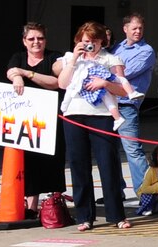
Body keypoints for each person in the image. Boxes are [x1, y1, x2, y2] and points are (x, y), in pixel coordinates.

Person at [56, 21, 134, 232]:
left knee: (108, 164)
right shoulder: (70, 58)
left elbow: (125, 90)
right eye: (85, 41)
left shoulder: (111, 59)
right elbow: (62, 84)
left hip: (101, 116)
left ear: (102, 41)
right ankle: (84, 216)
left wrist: (105, 84)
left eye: (94, 41)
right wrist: (74, 59)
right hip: (74, 115)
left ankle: (116, 214)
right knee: (78, 165)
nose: (89, 44)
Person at [6, 23, 66, 208]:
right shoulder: (18, 56)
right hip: (26, 122)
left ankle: (54, 205)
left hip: (51, 120)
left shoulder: (54, 57)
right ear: (24, 41)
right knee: (29, 162)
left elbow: (56, 82)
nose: (36, 42)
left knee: (53, 161)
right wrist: (16, 77)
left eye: (40, 38)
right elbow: (10, 71)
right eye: (31, 39)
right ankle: (31, 207)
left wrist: (26, 73)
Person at [111, 13, 156, 194]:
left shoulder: (146, 51)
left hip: (126, 105)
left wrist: (105, 73)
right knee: (110, 150)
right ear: (125, 29)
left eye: (140, 28)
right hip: (108, 103)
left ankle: (145, 192)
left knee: (132, 150)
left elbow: (124, 74)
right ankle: (116, 191)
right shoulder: (116, 48)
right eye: (134, 28)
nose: (138, 32)